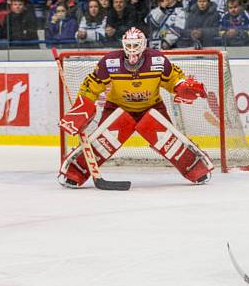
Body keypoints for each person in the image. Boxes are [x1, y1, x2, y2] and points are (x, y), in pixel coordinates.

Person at [58, 27, 212, 188]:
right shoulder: (110, 62)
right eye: (129, 45)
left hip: (151, 107)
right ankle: (73, 173)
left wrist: (180, 85)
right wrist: (83, 106)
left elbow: (174, 78)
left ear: (144, 44)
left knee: (169, 141)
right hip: (117, 107)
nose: (132, 50)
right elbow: (91, 86)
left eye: (136, 45)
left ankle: (196, 168)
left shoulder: (157, 60)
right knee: (101, 142)